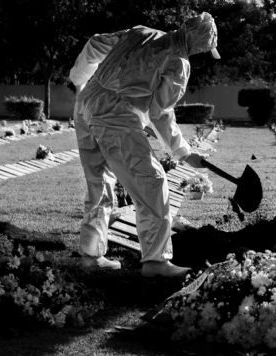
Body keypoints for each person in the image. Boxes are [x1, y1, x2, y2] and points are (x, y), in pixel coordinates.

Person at [69, 12, 220, 278]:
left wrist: (79, 79)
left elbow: (94, 44)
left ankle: (90, 257)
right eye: (205, 49)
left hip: (87, 103)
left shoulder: (141, 32)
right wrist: (183, 152)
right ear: (200, 41)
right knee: (152, 181)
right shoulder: (178, 62)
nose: (203, 53)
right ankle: (156, 262)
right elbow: (160, 113)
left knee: (99, 180)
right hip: (115, 115)